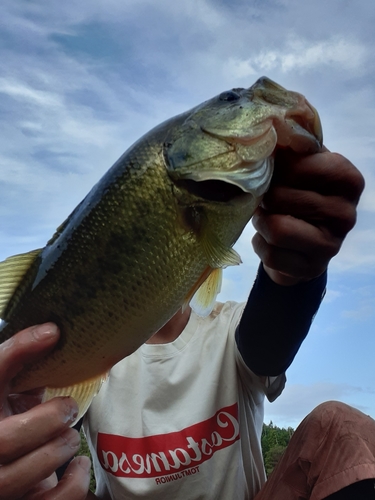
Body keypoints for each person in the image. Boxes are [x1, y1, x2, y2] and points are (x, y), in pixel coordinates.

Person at [0, 148, 370, 500]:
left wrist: (294, 268)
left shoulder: (229, 327)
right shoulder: (88, 350)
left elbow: (268, 341)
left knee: (340, 426)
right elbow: (41, 436)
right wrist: (27, 472)